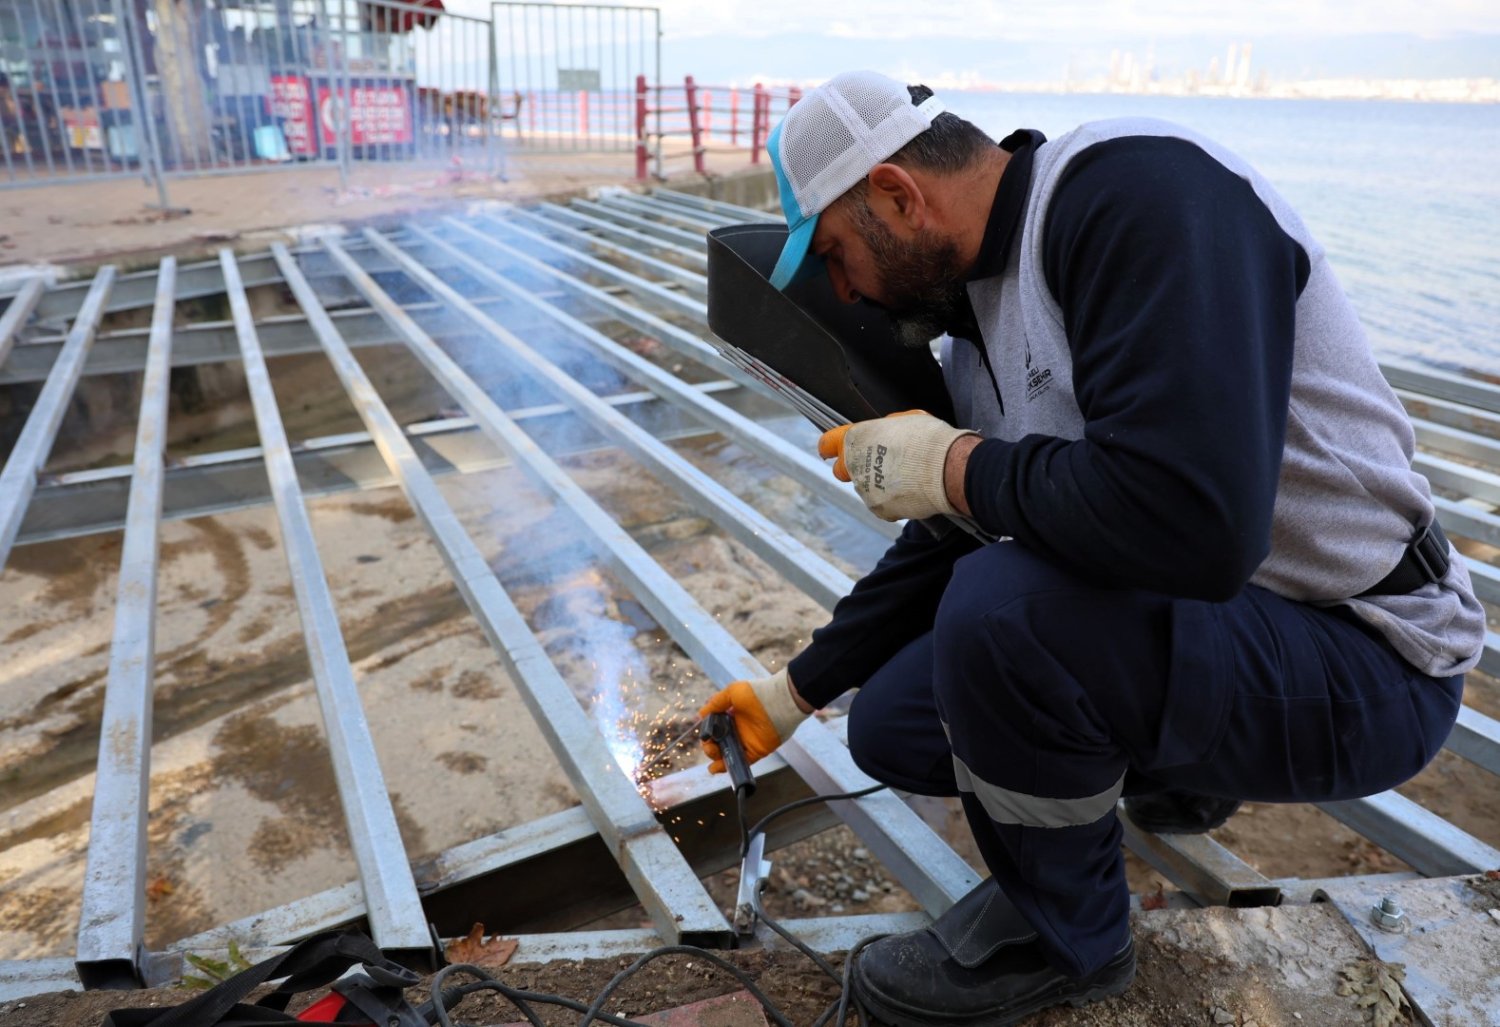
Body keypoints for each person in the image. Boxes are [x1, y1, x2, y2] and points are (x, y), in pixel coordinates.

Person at [696, 70, 1483, 1026]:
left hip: (1368, 653)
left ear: (898, 195)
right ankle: (1185, 770)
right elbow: (953, 538)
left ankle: (1065, 936)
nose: (847, 290)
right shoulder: (973, 325)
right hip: (1241, 633)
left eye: (836, 255)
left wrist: (957, 464)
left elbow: (1198, 524)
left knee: (1002, 615)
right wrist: (796, 691)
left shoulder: (1134, 198)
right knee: (897, 719)